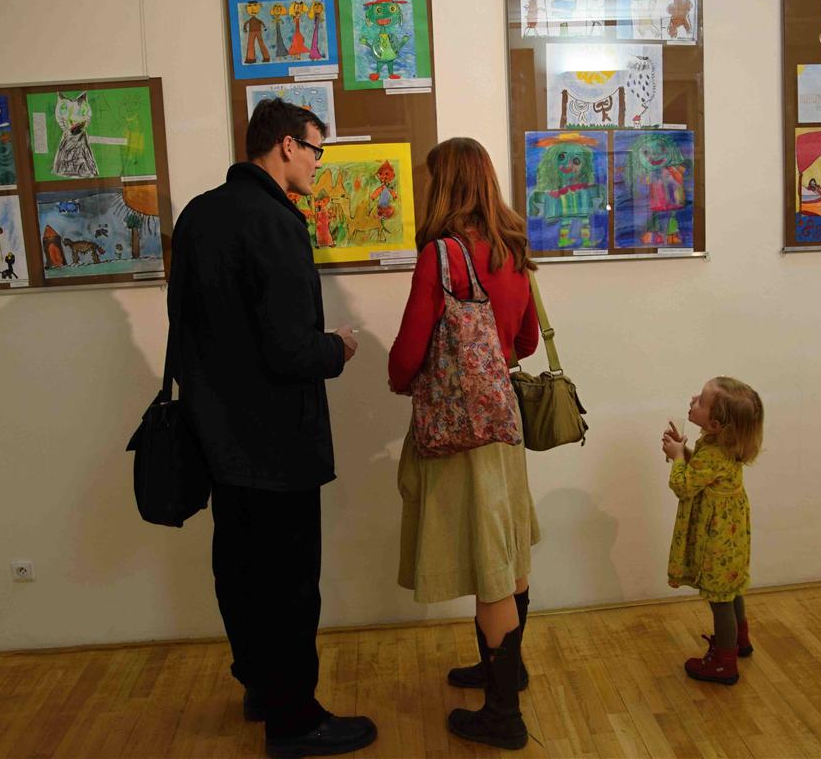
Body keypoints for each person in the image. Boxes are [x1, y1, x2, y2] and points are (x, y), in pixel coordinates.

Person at [167, 97, 376, 757]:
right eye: (316, 150)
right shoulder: (275, 221)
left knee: (240, 572)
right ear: (287, 145)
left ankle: (261, 688)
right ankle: (295, 721)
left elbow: (186, 329)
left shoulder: (198, 215)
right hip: (278, 441)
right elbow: (289, 351)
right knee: (289, 584)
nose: (317, 163)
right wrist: (337, 346)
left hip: (217, 438)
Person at [387, 138, 541, 750]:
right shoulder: (514, 248)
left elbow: (408, 352)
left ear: (444, 184)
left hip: (459, 434)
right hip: (503, 425)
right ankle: (506, 668)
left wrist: (402, 379)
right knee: (508, 556)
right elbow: (526, 341)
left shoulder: (442, 255)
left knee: (489, 569)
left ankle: (502, 716)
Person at [660, 377, 765, 686]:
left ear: (716, 424)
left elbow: (683, 485)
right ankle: (739, 641)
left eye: (701, 401)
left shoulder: (713, 452)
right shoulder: (722, 446)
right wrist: (684, 450)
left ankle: (724, 663)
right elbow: (704, 473)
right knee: (731, 591)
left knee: (720, 601)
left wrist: (677, 457)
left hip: (716, 540)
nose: (693, 399)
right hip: (731, 538)